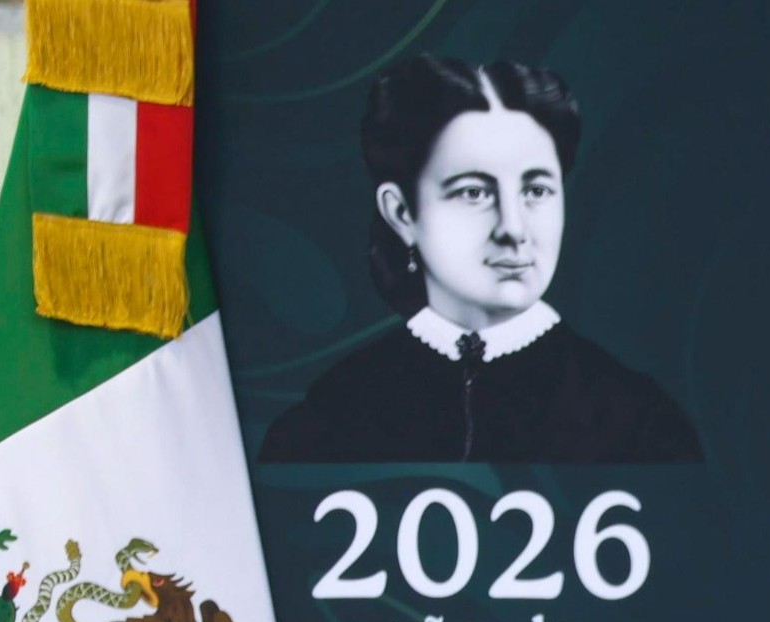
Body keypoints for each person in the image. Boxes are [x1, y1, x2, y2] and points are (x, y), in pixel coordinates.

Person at [262, 56, 699, 464]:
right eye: (474, 193)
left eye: (536, 190)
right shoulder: (331, 417)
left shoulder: (640, 423)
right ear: (402, 213)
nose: (513, 228)